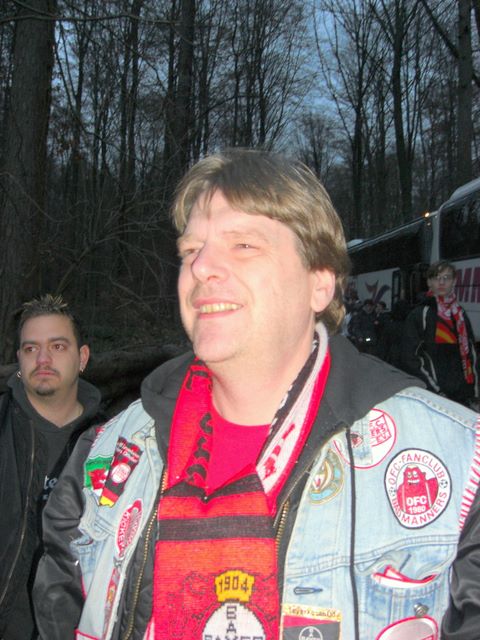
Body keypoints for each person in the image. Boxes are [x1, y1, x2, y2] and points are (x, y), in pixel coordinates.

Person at [33, 150, 480, 640]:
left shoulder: (461, 465)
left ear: (320, 284)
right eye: (190, 250)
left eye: (243, 244)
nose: (201, 267)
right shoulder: (103, 456)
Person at [0, 294, 102, 640]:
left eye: (57, 346)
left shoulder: (113, 445)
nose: (43, 359)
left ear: (82, 357)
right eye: (31, 349)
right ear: (19, 359)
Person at [402, 261, 479, 409]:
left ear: (454, 282)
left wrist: (473, 391)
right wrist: (436, 390)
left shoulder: (460, 314)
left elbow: (471, 353)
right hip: (434, 397)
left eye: (447, 278)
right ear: (429, 282)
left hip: (462, 397)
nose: (442, 282)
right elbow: (410, 358)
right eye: (437, 278)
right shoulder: (420, 315)